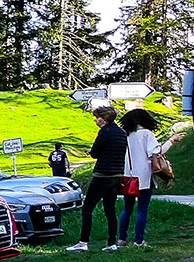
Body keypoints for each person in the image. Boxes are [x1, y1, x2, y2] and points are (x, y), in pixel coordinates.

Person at [67, 105, 128, 252]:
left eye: (97, 117)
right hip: (117, 175)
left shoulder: (104, 132)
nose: (95, 120)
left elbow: (95, 153)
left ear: (105, 119)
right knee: (110, 209)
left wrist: (94, 152)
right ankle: (111, 243)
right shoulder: (121, 133)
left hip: (103, 174)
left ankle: (83, 242)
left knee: (88, 207)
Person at [117, 107, 165, 247]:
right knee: (142, 209)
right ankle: (138, 240)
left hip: (128, 176)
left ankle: (122, 238)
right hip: (144, 176)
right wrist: (171, 142)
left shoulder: (126, 135)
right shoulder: (146, 134)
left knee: (127, 209)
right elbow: (154, 152)